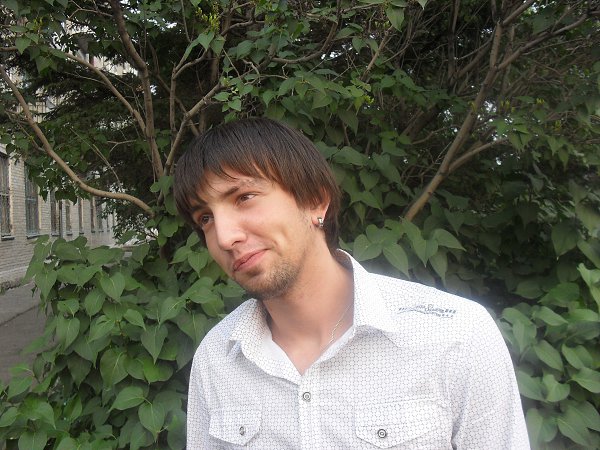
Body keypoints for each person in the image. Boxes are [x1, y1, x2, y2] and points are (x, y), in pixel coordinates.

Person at [174, 117, 529, 449]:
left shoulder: (456, 335)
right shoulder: (217, 358)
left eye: (244, 198)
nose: (224, 237)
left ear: (315, 200)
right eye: (205, 218)